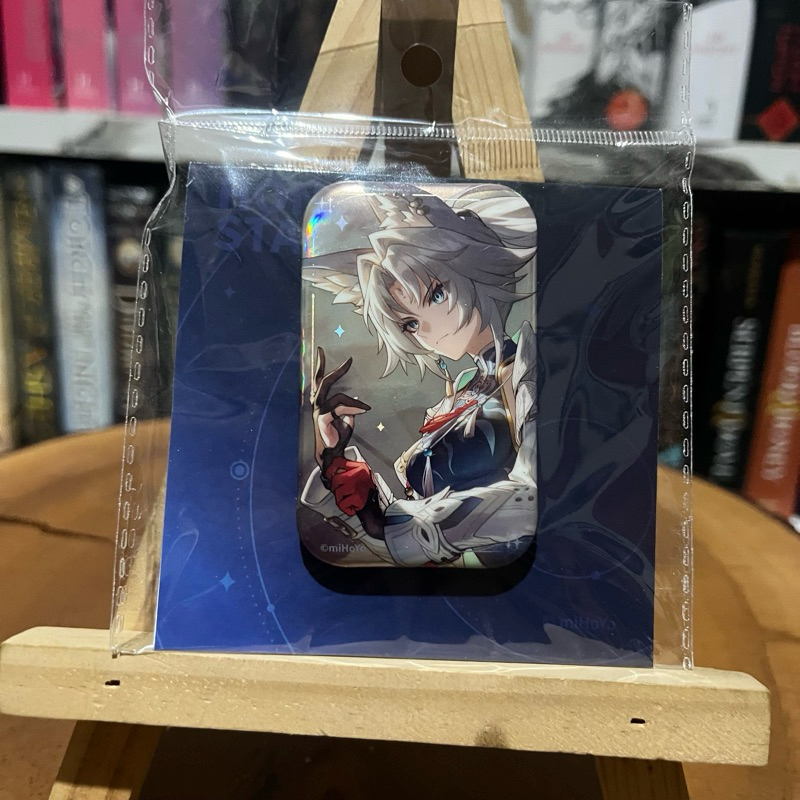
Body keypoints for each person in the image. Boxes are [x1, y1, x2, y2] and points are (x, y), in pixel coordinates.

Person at [300, 185, 537, 568]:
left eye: (437, 294)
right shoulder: (459, 395)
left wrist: (394, 527)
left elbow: (529, 500)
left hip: (516, 580)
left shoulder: (524, 373)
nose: (427, 329)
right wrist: (339, 468)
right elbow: (405, 538)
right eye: (409, 323)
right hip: (439, 581)